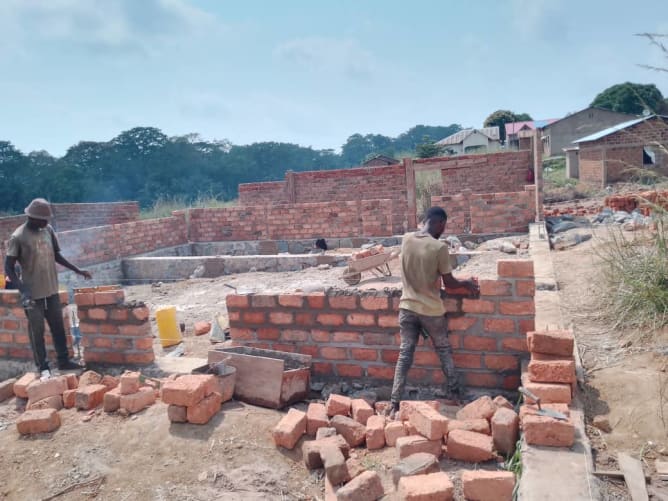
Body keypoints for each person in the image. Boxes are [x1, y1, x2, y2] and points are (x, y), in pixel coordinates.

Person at [388, 206, 479, 416]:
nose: (443, 231)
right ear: (439, 223)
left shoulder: (407, 239)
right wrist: (467, 283)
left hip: (407, 308)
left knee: (404, 355)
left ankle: (394, 403)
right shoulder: (439, 248)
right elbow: (449, 283)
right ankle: (456, 396)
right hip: (431, 311)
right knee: (444, 350)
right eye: (443, 227)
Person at [5, 198, 92, 379]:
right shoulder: (18, 237)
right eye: (43, 219)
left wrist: (77, 270)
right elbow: (8, 268)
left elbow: (57, 255)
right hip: (32, 294)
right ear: (32, 217)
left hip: (51, 289)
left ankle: (63, 361)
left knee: (58, 327)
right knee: (37, 332)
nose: (47, 222)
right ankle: (43, 367)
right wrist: (23, 289)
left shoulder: (48, 230)